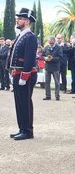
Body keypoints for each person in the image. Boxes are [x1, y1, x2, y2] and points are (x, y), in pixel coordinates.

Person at [7, 8, 38, 140]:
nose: (17, 20)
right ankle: (22, 128)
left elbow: (30, 58)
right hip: (17, 73)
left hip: (25, 75)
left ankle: (28, 130)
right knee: (19, 103)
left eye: (20, 19)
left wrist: (24, 76)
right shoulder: (21, 35)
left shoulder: (30, 37)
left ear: (26, 21)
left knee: (25, 102)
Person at [42, 36, 63, 101]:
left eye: (52, 43)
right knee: (47, 82)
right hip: (47, 67)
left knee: (57, 82)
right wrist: (45, 58)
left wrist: (52, 58)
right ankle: (48, 96)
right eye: (49, 43)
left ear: (54, 41)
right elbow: (42, 55)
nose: (50, 44)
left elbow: (60, 57)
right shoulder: (46, 47)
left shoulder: (58, 48)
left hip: (55, 67)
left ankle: (57, 96)